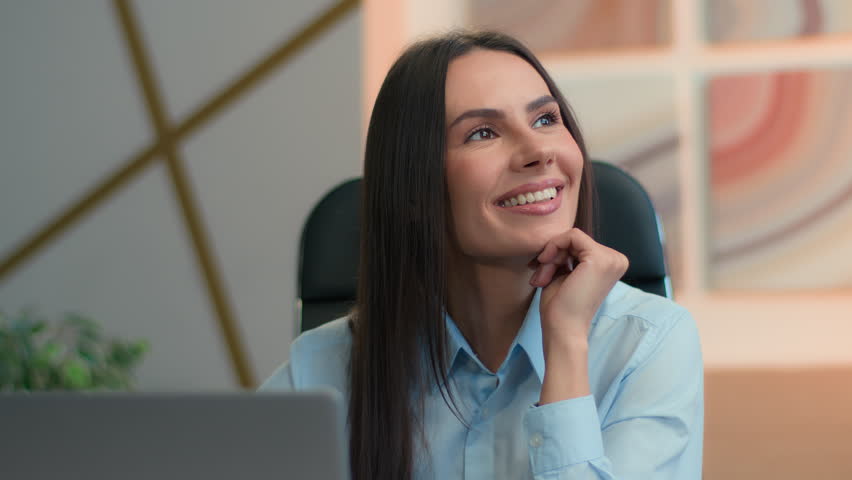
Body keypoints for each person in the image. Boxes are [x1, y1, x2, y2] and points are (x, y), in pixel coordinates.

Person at [261, 30, 703, 480]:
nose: (537, 151)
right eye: (483, 132)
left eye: (546, 119)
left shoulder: (646, 345)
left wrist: (567, 344)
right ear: (414, 190)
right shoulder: (323, 370)